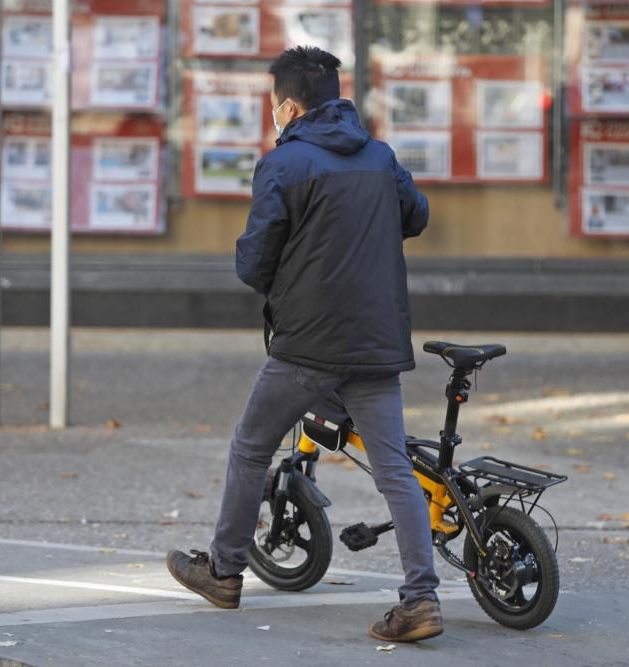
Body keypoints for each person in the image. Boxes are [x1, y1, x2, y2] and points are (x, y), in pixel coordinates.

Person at [165, 46, 441, 643]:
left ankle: (224, 572)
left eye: (272, 103)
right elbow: (415, 216)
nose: (272, 113)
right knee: (395, 470)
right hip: (375, 343)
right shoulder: (380, 156)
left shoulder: (284, 164)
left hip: (306, 348)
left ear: (288, 105)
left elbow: (255, 259)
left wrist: (286, 281)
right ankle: (421, 600)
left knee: (250, 448)